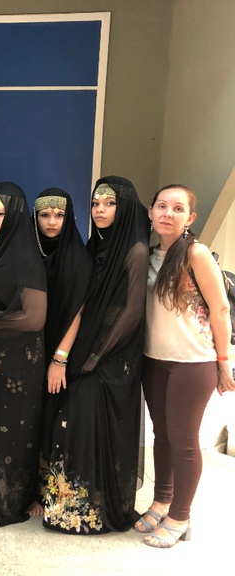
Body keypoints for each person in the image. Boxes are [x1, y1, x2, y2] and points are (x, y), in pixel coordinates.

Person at [43, 175, 149, 535]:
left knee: (86, 417)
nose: (100, 210)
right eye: (95, 203)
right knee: (76, 423)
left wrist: (94, 359)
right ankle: (70, 508)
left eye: (110, 203)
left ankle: (91, 511)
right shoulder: (96, 247)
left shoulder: (135, 250)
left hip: (114, 358)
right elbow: (82, 305)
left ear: (126, 207)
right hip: (87, 351)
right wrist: (67, 356)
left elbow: (132, 313)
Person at [138, 184, 235, 548]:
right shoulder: (148, 255)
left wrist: (223, 363)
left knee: (183, 440)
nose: (168, 213)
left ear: (190, 217)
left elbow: (220, 310)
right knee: (161, 436)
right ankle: (161, 502)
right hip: (154, 360)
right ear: (151, 212)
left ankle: (181, 516)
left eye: (177, 209)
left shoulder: (196, 254)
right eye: (161, 206)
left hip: (193, 364)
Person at [0, 182, 47, 527]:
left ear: (15, 215)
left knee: (13, 432)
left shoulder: (25, 257)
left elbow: (33, 319)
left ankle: (11, 498)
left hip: (19, 365)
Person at [30, 188, 91, 515]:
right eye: (45, 215)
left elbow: (78, 311)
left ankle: (46, 493)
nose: (52, 222)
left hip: (60, 350)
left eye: (59, 215)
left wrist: (59, 359)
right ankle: (27, 490)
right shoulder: (28, 250)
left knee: (53, 417)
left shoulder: (77, 257)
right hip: (29, 349)